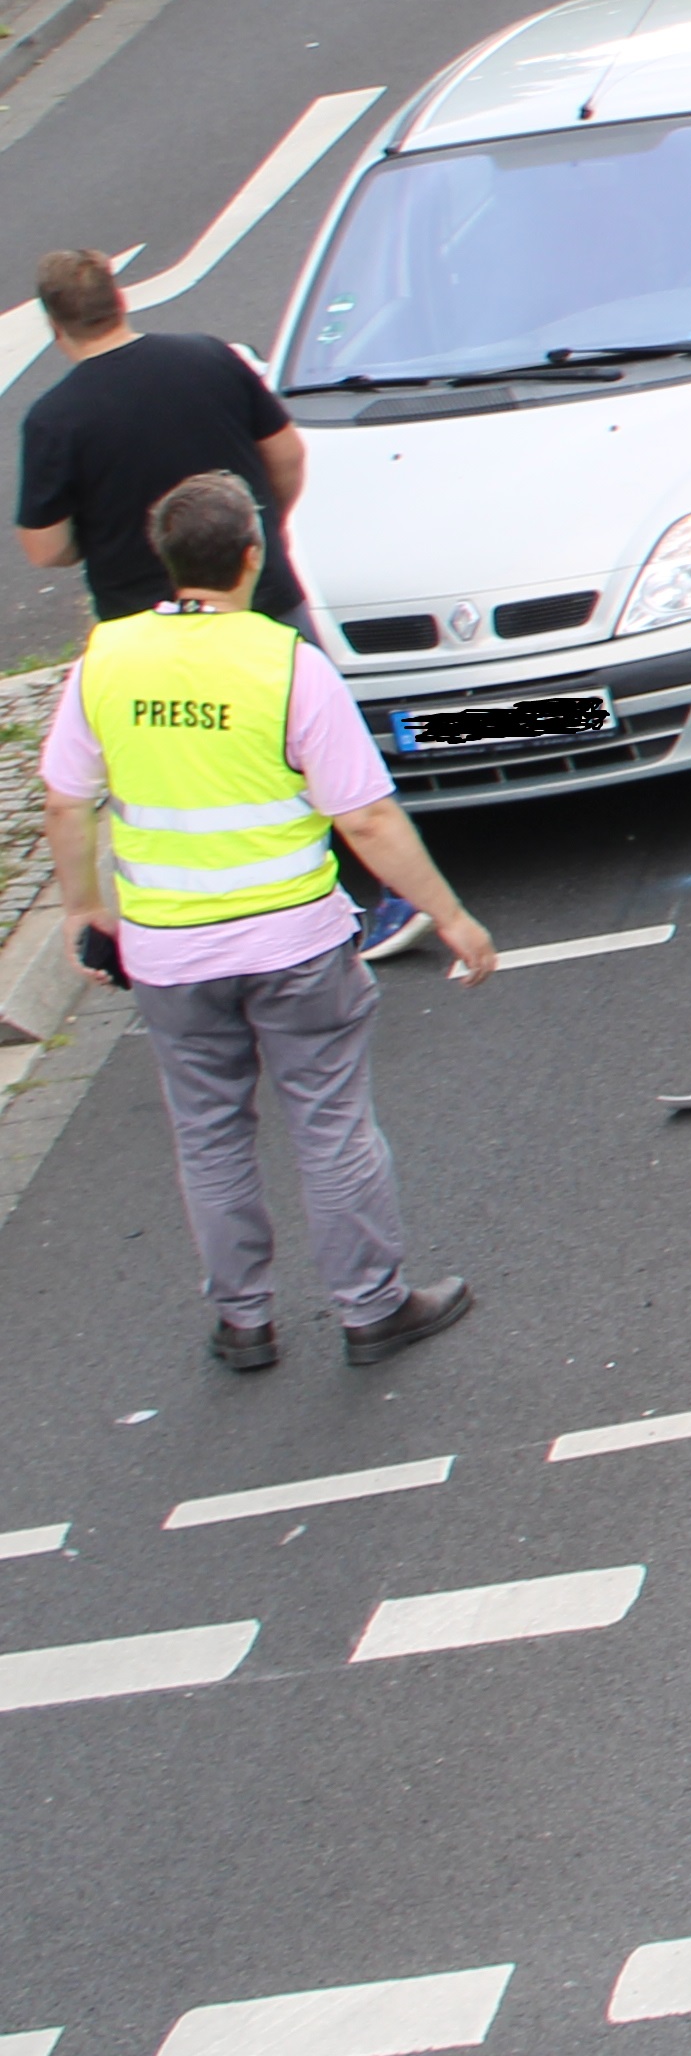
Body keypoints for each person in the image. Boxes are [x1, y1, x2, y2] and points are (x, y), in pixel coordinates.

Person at [44, 468, 496, 1376]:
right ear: (254, 556)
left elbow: (66, 798)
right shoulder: (286, 664)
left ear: (166, 560)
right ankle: (371, 1307)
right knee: (329, 1125)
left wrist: (87, 907)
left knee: (209, 1134)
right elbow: (363, 817)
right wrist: (449, 915)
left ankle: (243, 1321)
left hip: (170, 953)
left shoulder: (108, 658)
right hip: (293, 941)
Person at [13, 248, 420, 965]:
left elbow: (44, 549)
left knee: (198, 772)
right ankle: (386, 887)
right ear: (120, 297)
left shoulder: (56, 419)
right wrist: (263, 529)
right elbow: (287, 454)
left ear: (55, 325)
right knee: (318, 753)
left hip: (147, 633)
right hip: (260, 596)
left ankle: (220, 918)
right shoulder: (208, 359)